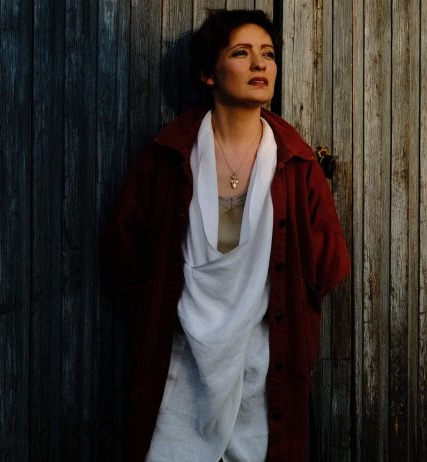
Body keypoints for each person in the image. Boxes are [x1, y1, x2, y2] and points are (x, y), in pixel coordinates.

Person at [101, 9, 350, 462]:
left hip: (264, 367)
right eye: (241, 53)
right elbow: (124, 251)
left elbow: (329, 262)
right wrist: (162, 305)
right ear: (207, 73)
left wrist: (283, 300)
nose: (260, 65)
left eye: (268, 54)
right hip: (180, 364)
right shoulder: (168, 157)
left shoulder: (296, 164)